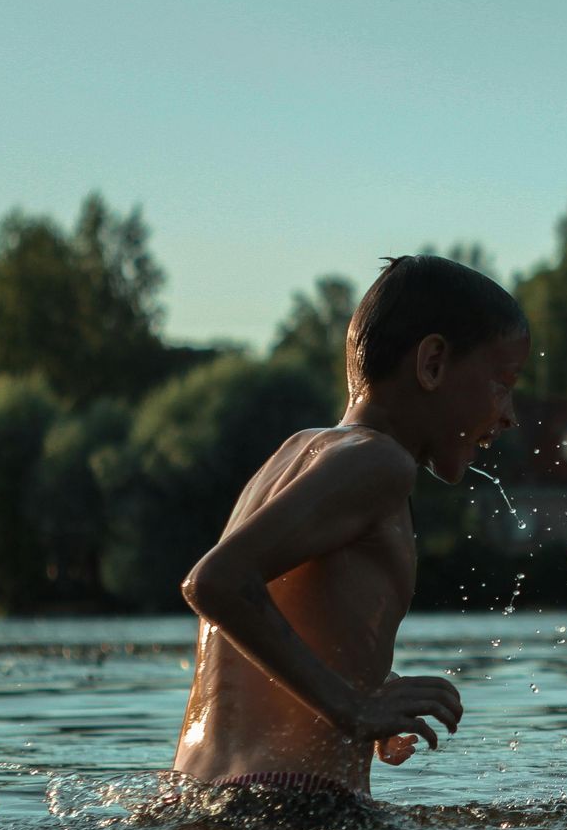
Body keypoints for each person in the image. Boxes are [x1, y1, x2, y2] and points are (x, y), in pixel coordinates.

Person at [172, 255, 529, 800]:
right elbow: (216, 582)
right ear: (433, 363)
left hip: (205, 795)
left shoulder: (298, 452)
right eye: (503, 384)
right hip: (291, 800)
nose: (509, 415)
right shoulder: (380, 462)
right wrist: (352, 708)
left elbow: (289, 607)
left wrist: (370, 689)